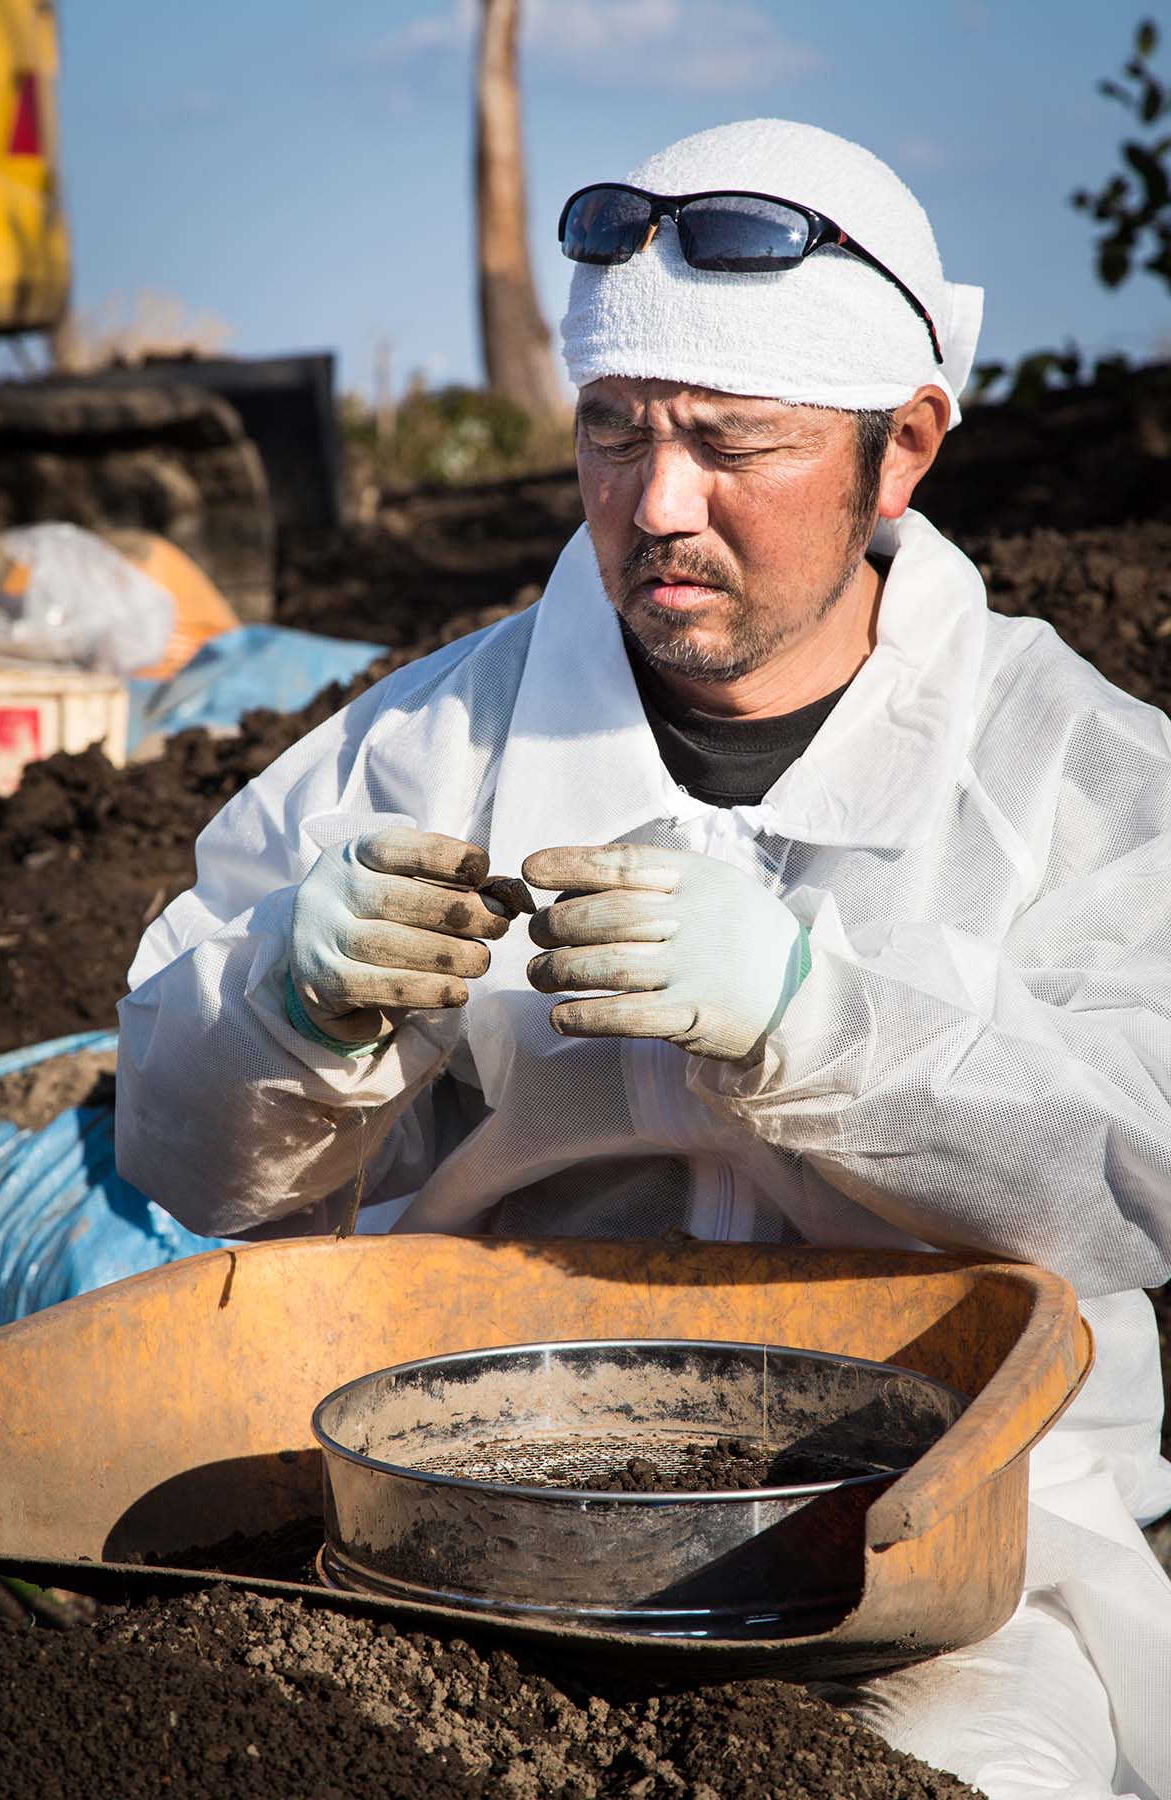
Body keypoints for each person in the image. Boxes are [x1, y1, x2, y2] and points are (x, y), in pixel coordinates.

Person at [116, 120, 1171, 1799]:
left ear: (900, 451)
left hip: (951, 1559)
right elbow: (180, 1153)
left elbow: (1150, 1146)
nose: (656, 506)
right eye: (616, 436)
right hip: (471, 1522)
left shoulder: (1067, 769)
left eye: (729, 442)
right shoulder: (430, 746)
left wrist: (818, 1023)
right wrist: (280, 1002)